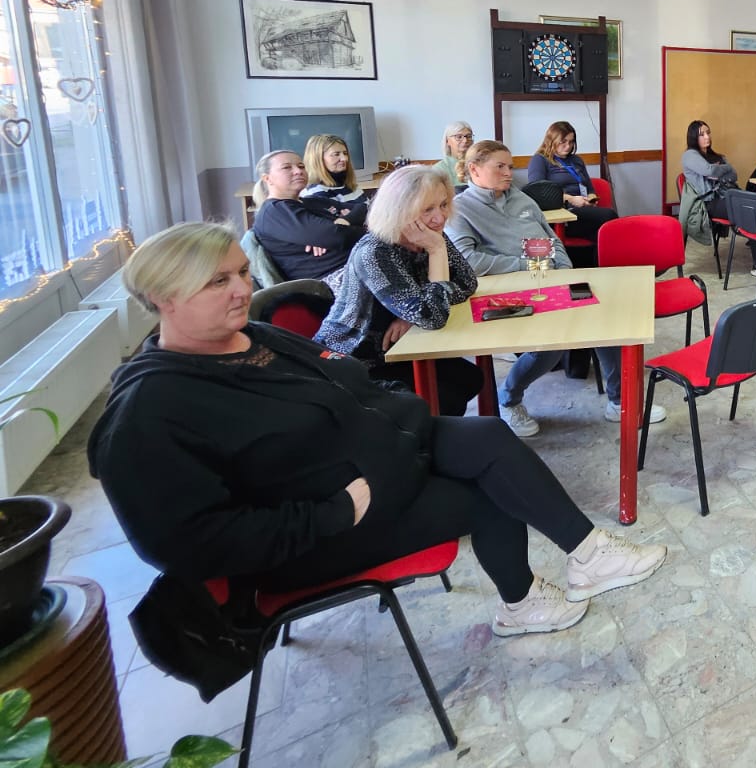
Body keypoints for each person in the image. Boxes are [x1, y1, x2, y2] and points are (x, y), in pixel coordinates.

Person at [88, 221, 666, 640]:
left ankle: (588, 554)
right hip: (321, 528)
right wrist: (333, 512)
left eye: (241, 272)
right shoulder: (148, 412)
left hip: (384, 459)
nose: (242, 289)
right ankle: (520, 604)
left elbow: (348, 387)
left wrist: (400, 423)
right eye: (218, 282)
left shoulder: (257, 339)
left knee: (489, 434)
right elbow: (188, 545)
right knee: (489, 494)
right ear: (163, 299)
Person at [446, 140, 665, 434]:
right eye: (500, 167)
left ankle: (620, 402)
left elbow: (552, 240)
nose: (509, 173)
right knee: (549, 346)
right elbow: (469, 262)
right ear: (474, 169)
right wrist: (528, 265)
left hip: (547, 281)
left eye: (510, 166)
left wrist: (563, 271)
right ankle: (508, 399)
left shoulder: (522, 200)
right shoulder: (460, 210)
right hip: (502, 294)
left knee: (607, 321)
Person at [315, 166, 485, 417]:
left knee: (469, 378)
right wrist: (437, 254)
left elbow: (467, 283)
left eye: (443, 205)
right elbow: (432, 317)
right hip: (354, 360)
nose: (440, 218)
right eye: (427, 209)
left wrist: (410, 314)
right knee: (444, 397)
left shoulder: (429, 235)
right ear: (399, 210)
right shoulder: (375, 251)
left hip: (399, 347)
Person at [249, 150, 363, 285]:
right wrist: (363, 229)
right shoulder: (274, 212)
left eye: (301, 166)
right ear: (267, 178)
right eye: (287, 167)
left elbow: (364, 208)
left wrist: (344, 221)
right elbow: (337, 236)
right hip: (331, 281)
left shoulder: (313, 201)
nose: (298, 171)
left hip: (357, 263)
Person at [524, 121, 617, 249]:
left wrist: (591, 198)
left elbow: (589, 188)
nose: (568, 146)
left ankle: (599, 259)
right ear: (552, 140)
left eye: (571, 142)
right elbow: (538, 193)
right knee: (609, 216)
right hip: (562, 212)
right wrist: (571, 199)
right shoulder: (540, 160)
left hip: (582, 210)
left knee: (603, 236)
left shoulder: (576, 160)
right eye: (563, 142)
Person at [300, 133, 369, 226]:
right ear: (318, 159)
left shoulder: (349, 185)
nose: (344, 159)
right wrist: (357, 216)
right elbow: (337, 229)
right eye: (336, 154)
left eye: (345, 153)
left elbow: (371, 212)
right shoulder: (315, 193)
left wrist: (354, 216)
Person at [680, 120, 739, 220]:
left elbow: (734, 175)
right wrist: (726, 168)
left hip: (726, 194)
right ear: (693, 137)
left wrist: (719, 174)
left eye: (708, 133)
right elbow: (709, 171)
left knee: (752, 204)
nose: (707, 137)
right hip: (707, 202)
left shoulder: (717, 156)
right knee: (744, 209)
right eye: (702, 134)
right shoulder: (689, 155)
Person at [438, 121, 474, 186]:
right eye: (459, 137)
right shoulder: (439, 169)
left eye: (469, 136)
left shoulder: (480, 163)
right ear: (447, 141)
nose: (465, 140)